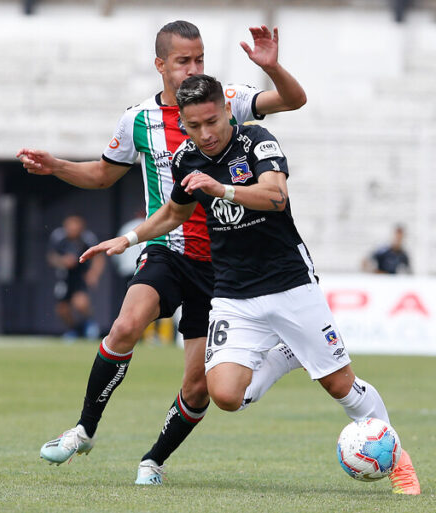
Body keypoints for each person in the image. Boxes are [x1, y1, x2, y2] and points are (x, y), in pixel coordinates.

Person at [80, 74, 420, 495]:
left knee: (340, 385)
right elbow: (175, 212)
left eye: (211, 121)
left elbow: (275, 197)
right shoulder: (187, 158)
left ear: (226, 108)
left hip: (290, 283)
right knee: (224, 395)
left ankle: (400, 464)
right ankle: (287, 353)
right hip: (234, 292)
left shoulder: (257, 141)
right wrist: (129, 238)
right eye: (193, 126)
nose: (204, 134)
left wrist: (222, 189)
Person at [19, 21, 306, 484]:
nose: (193, 68)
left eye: (199, 59)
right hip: (168, 248)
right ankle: (83, 430)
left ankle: (153, 460)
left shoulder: (226, 99)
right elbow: (101, 175)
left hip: (225, 266)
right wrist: (55, 166)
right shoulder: (138, 119)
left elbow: (291, 100)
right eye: (182, 61)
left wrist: (272, 69)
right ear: (160, 65)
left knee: (199, 387)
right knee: (127, 324)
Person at [47, 215, 105, 339]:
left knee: (81, 303)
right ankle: (74, 330)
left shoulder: (87, 238)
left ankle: (90, 325)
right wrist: (63, 261)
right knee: (62, 309)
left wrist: (93, 273)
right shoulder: (58, 237)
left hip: (80, 276)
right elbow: (52, 257)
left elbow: (99, 257)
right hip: (64, 277)